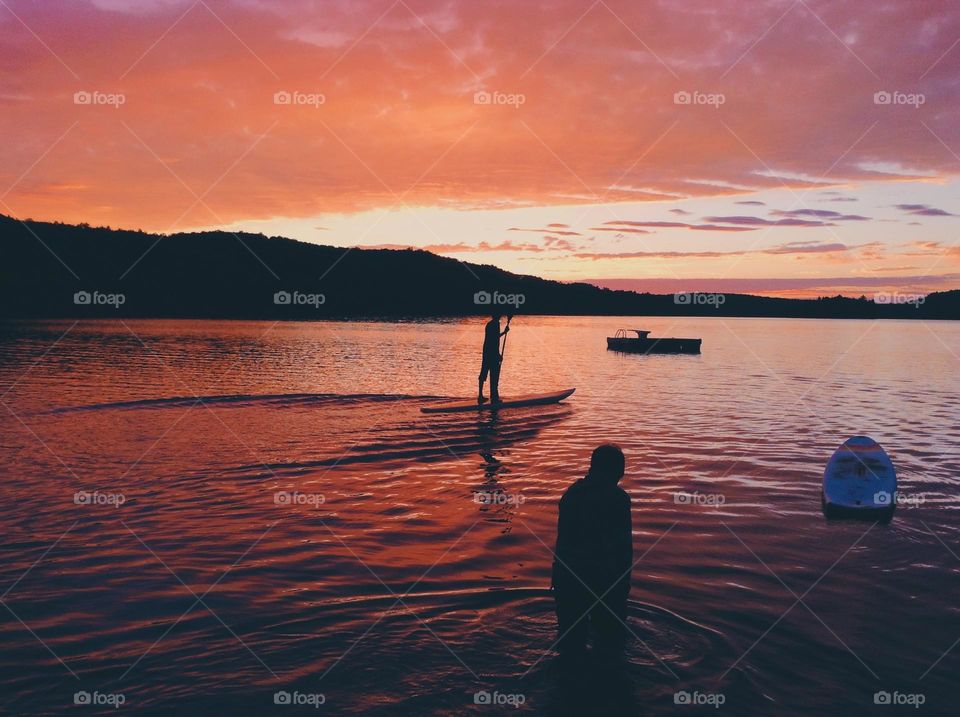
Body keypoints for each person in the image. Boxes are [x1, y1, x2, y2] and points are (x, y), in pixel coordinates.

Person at [551, 444, 633, 653]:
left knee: (569, 645)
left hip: (568, 578)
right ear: (617, 470)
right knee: (610, 644)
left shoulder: (572, 494)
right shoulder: (618, 499)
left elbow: (563, 542)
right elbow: (623, 547)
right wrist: (624, 583)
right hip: (604, 579)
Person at [477, 313, 509, 404]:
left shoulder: (492, 324)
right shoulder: (494, 325)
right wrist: (498, 355)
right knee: (492, 374)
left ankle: (488, 395)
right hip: (491, 353)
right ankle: (492, 397)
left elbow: (495, 338)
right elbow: (493, 340)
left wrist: (504, 332)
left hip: (487, 352)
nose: (500, 316)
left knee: (487, 373)